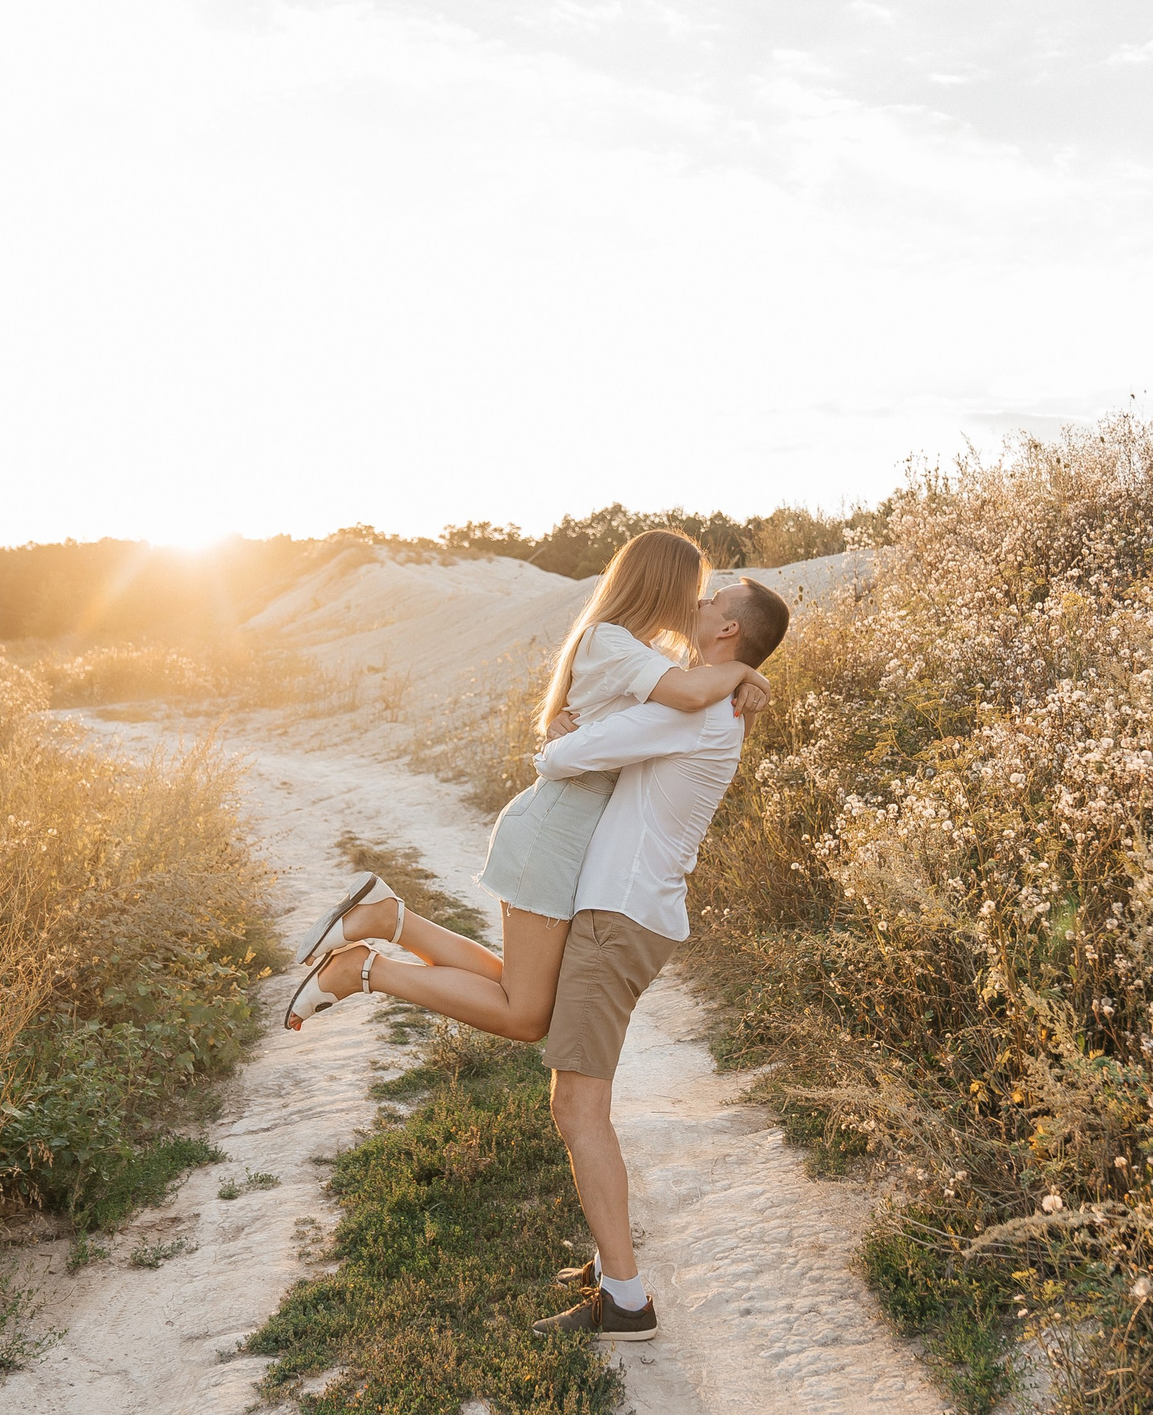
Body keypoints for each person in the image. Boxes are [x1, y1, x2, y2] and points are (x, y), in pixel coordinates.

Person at [291, 573, 794, 1342]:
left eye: (711, 600)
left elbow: (568, 756)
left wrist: (564, 734)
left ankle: (626, 1302)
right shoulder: (704, 698)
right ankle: (384, 930)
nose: (696, 602)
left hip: (621, 915)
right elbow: (616, 732)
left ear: (728, 629)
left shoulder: (698, 709)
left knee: (577, 1106)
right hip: (624, 910)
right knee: (529, 1018)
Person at [282, 529, 766, 1043]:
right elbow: (689, 694)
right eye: (694, 588)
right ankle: (363, 970)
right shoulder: (611, 640)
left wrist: (742, 680)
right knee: (526, 1015)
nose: (697, 602)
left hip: (570, 831)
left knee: (523, 996)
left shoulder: (642, 651)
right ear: (664, 584)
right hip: (556, 828)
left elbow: (663, 707)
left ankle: (387, 919)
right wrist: (744, 669)